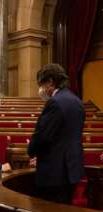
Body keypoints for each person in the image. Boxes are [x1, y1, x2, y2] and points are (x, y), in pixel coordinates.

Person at [27, 63, 85, 204]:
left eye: (41, 84)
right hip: (72, 169)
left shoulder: (55, 102)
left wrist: (32, 151)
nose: (41, 89)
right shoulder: (77, 101)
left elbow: (43, 136)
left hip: (55, 172)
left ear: (50, 82)